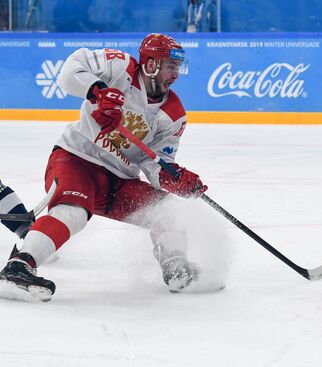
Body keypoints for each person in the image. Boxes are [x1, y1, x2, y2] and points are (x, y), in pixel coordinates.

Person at [0, 33, 208, 302]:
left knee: (169, 211)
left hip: (119, 181)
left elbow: (154, 161)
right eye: (171, 65)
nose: (176, 73)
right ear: (151, 64)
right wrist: (97, 91)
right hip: (77, 159)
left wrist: (171, 177)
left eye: (178, 66)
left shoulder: (174, 114)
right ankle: (19, 267)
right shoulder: (119, 66)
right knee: (72, 213)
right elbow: (70, 70)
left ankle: (176, 267)